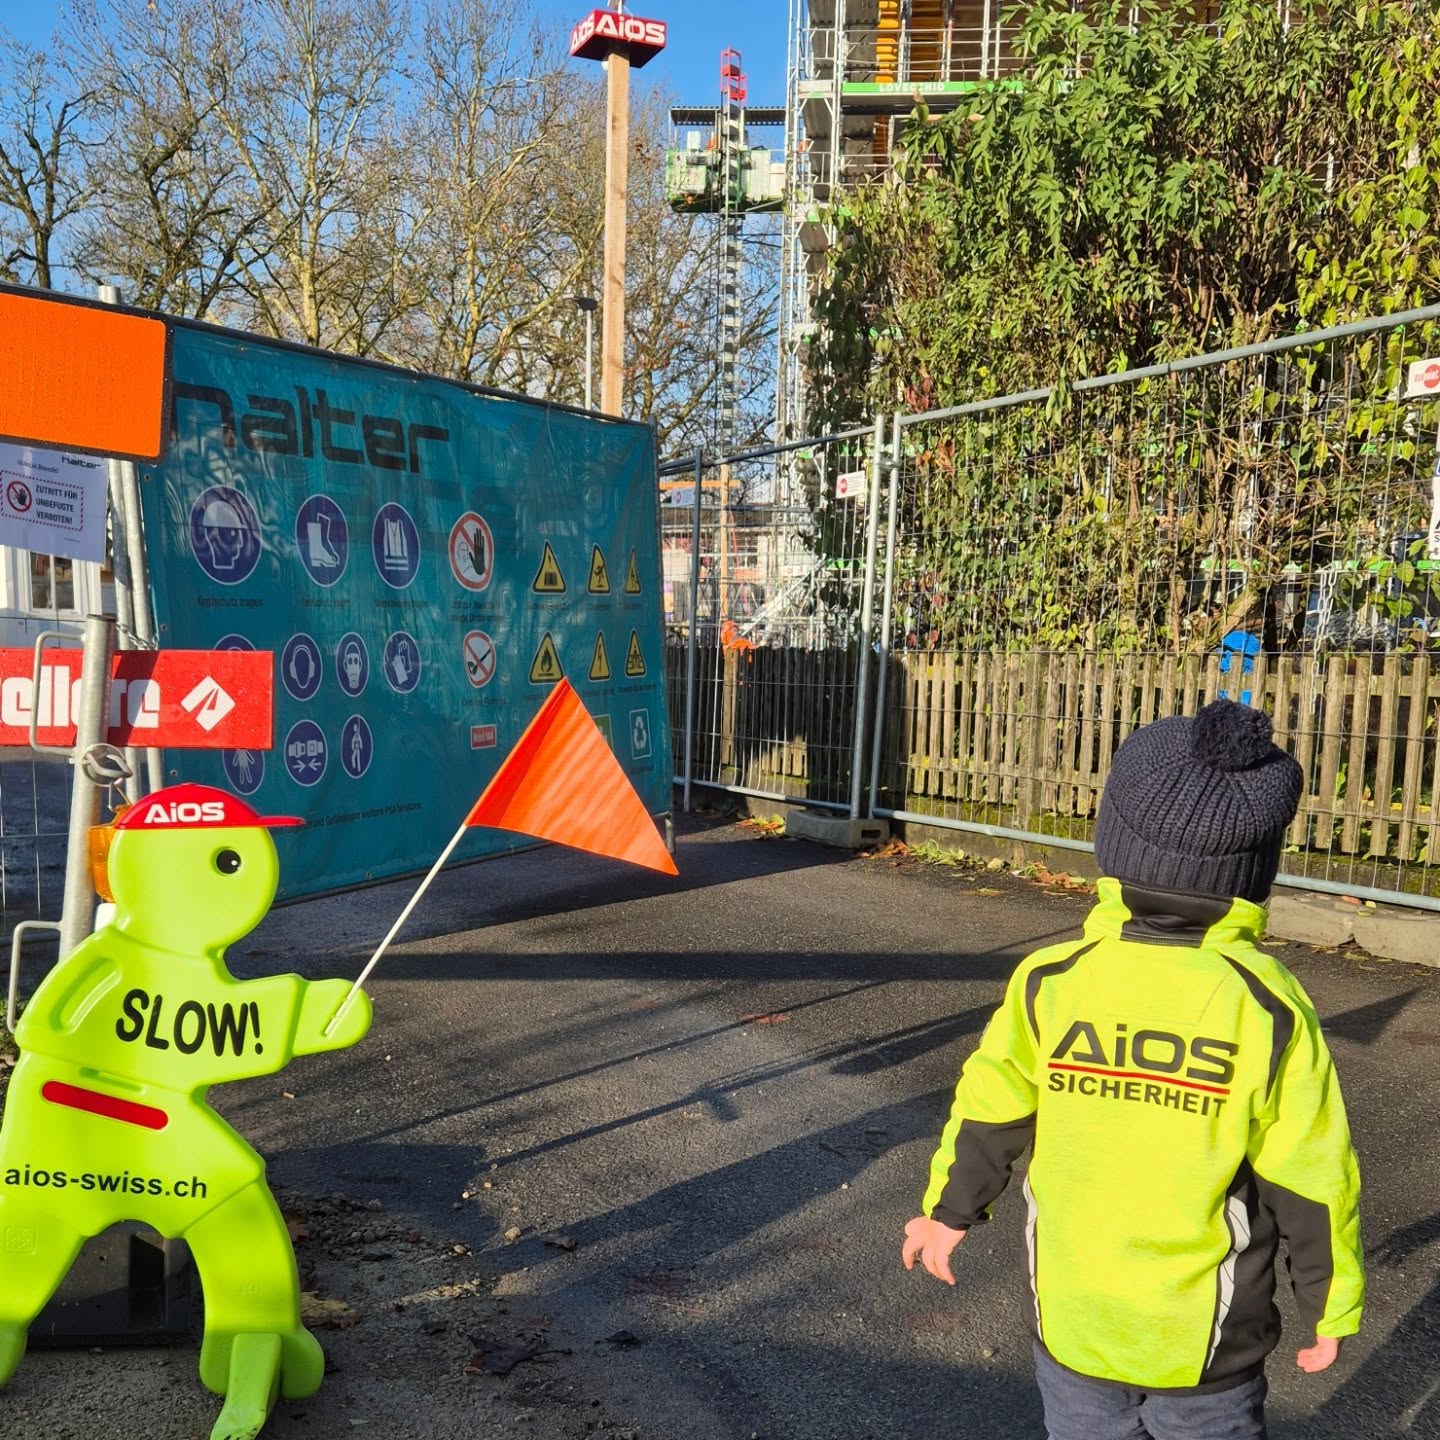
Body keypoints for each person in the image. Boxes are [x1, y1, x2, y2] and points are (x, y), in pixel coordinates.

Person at [903, 699, 1363, 1440]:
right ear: (1255, 869)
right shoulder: (1268, 1007)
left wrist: (946, 1214)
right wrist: (1329, 1304)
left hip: (1074, 1318)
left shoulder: (1054, 978)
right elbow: (1313, 1172)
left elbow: (991, 1105)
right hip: (1208, 1344)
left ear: (1112, 842)